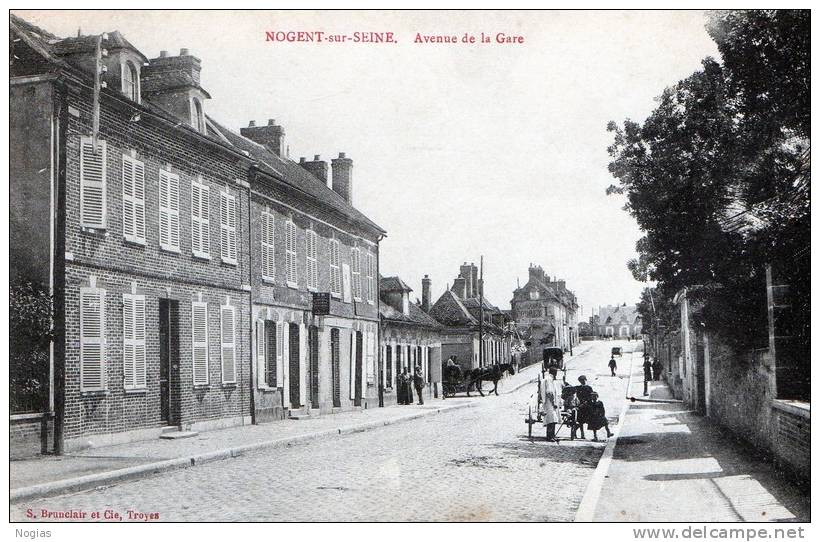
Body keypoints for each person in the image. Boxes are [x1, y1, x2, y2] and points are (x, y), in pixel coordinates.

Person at [540, 367, 563, 442]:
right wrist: (554, 403)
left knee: (552, 419)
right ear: (554, 372)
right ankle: (550, 436)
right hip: (550, 403)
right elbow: (549, 392)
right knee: (552, 420)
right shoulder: (549, 380)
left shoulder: (549, 379)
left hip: (549, 403)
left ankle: (552, 435)